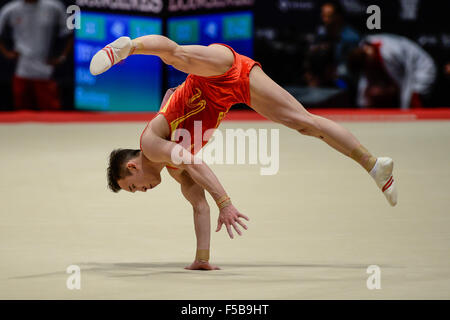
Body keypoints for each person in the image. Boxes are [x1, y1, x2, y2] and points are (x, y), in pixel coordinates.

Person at [90, 35, 398, 270]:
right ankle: (375, 166)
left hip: (216, 71)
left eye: (133, 187)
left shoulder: (150, 145)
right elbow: (199, 206)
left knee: (178, 56)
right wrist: (202, 258)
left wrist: (226, 202)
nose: (141, 190)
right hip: (232, 91)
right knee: (304, 123)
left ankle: (126, 48)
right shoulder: (174, 171)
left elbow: (194, 159)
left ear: (132, 166)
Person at [0, 0, 73, 110]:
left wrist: (62, 57)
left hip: (45, 71)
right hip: (21, 71)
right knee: (22, 115)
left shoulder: (54, 7)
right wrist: (6, 53)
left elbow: (68, 34)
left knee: (50, 116)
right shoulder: (10, 9)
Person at [347, 34, 437, 109]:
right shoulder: (366, 48)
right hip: (404, 71)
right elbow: (365, 83)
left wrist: (404, 108)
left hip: (420, 68)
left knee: (413, 99)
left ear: (366, 60)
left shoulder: (388, 53)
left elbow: (403, 82)